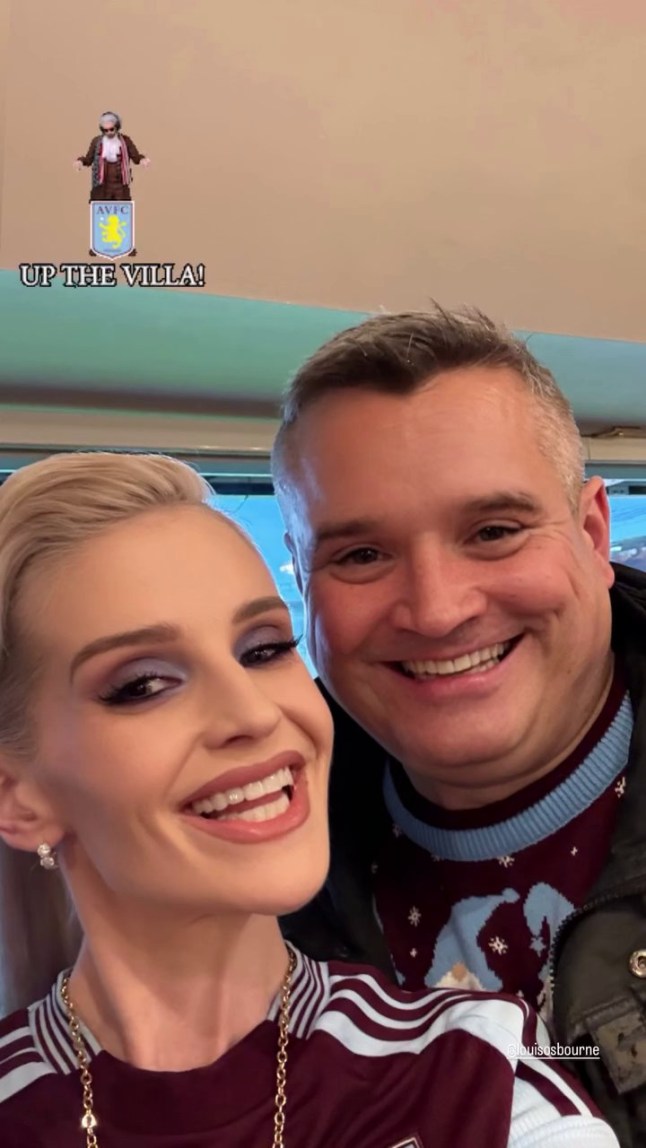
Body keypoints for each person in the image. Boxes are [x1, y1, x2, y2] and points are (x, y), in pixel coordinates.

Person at [0, 451, 615, 1148]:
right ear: (16, 796)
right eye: (143, 685)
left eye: (264, 648)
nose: (256, 716)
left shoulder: (482, 1080)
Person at [271, 306, 646, 1146]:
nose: (437, 611)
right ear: (302, 581)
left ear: (592, 534)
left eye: (494, 532)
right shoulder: (246, 882)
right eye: (361, 555)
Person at [73, 111, 150, 203]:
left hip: (120, 183)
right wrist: (80, 161)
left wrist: (142, 160)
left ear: (117, 127)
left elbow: (135, 157)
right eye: (106, 130)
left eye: (111, 129)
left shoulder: (125, 141)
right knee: (101, 209)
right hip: (102, 183)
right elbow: (89, 159)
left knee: (122, 210)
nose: (109, 132)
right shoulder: (96, 141)